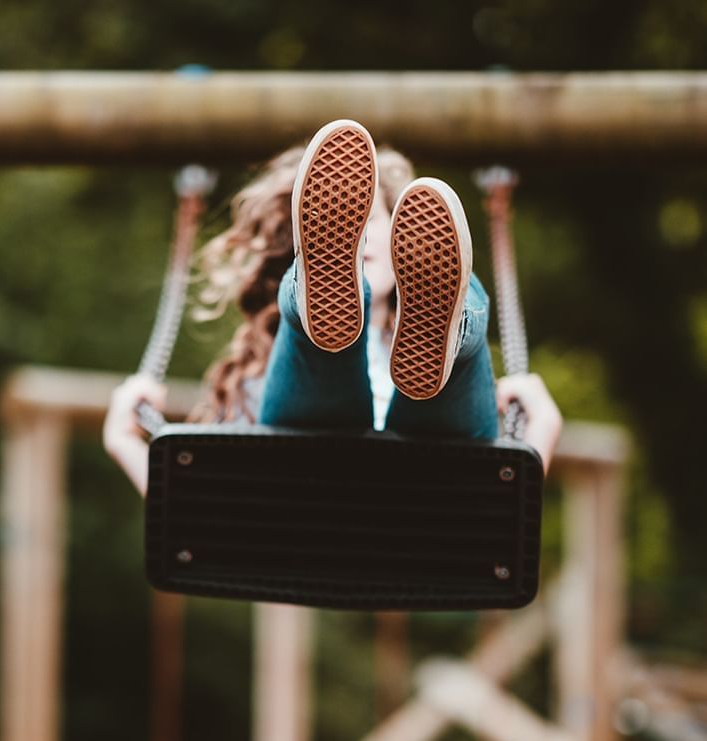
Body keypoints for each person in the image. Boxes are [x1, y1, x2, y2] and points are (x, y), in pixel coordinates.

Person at [104, 120, 562, 497]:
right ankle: (316, 308)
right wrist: (540, 431)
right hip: (411, 510)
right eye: (346, 226)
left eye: (369, 220)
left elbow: (197, 524)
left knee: (446, 373)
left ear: (407, 234)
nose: (359, 235)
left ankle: (449, 325)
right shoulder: (253, 378)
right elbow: (500, 519)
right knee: (312, 352)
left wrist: (126, 440)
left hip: (418, 487)